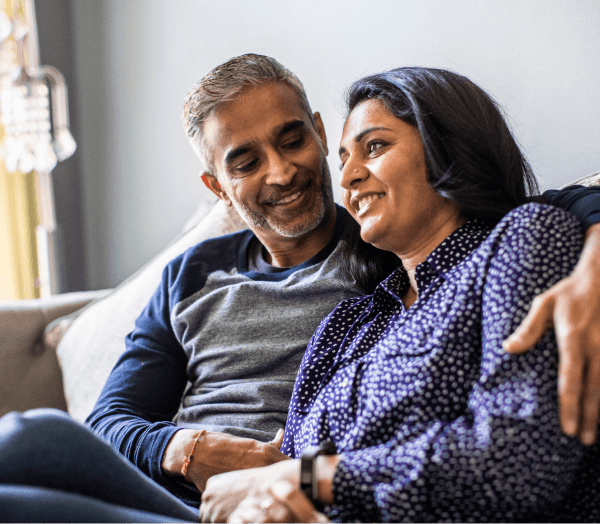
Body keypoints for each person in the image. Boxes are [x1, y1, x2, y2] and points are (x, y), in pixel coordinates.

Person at [0, 56, 599, 522]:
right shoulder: (358, 316)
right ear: (217, 186)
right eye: (246, 162)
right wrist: (192, 450)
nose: (286, 173)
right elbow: (113, 420)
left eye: (294, 141)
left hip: (301, 507)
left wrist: (594, 249)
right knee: (34, 440)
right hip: (218, 501)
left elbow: (538, 212)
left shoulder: (425, 249)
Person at [200, 67, 599, 524]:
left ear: (445, 147)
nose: (347, 176)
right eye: (345, 158)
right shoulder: (345, 325)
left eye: (375, 147)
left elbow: (521, 461)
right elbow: (279, 479)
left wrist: (313, 479)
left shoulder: (525, 241)